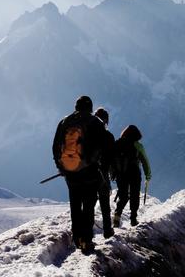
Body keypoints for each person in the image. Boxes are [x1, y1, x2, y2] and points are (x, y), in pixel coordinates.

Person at [52, 95, 105, 253]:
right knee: (88, 206)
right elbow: (102, 146)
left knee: (75, 205)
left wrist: (61, 166)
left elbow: (55, 146)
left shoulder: (64, 122)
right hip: (90, 172)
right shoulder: (96, 122)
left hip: (70, 172)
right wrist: (91, 162)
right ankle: (87, 241)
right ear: (90, 107)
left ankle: (77, 239)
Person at [112, 125, 152, 227]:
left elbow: (110, 160)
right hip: (134, 174)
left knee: (123, 195)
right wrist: (148, 175)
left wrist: (112, 173)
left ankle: (117, 215)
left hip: (120, 174)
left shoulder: (117, 144)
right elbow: (145, 161)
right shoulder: (137, 145)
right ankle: (133, 219)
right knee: (134, 195)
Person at [94, 107, 115, 238]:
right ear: (106, 120)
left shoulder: (85, 135)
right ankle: (107, 230)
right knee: (104, 203)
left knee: (88, 203)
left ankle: (85, 236)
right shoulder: (108, 136)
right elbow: (112, 156)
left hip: (86, 173)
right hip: (103, 174)